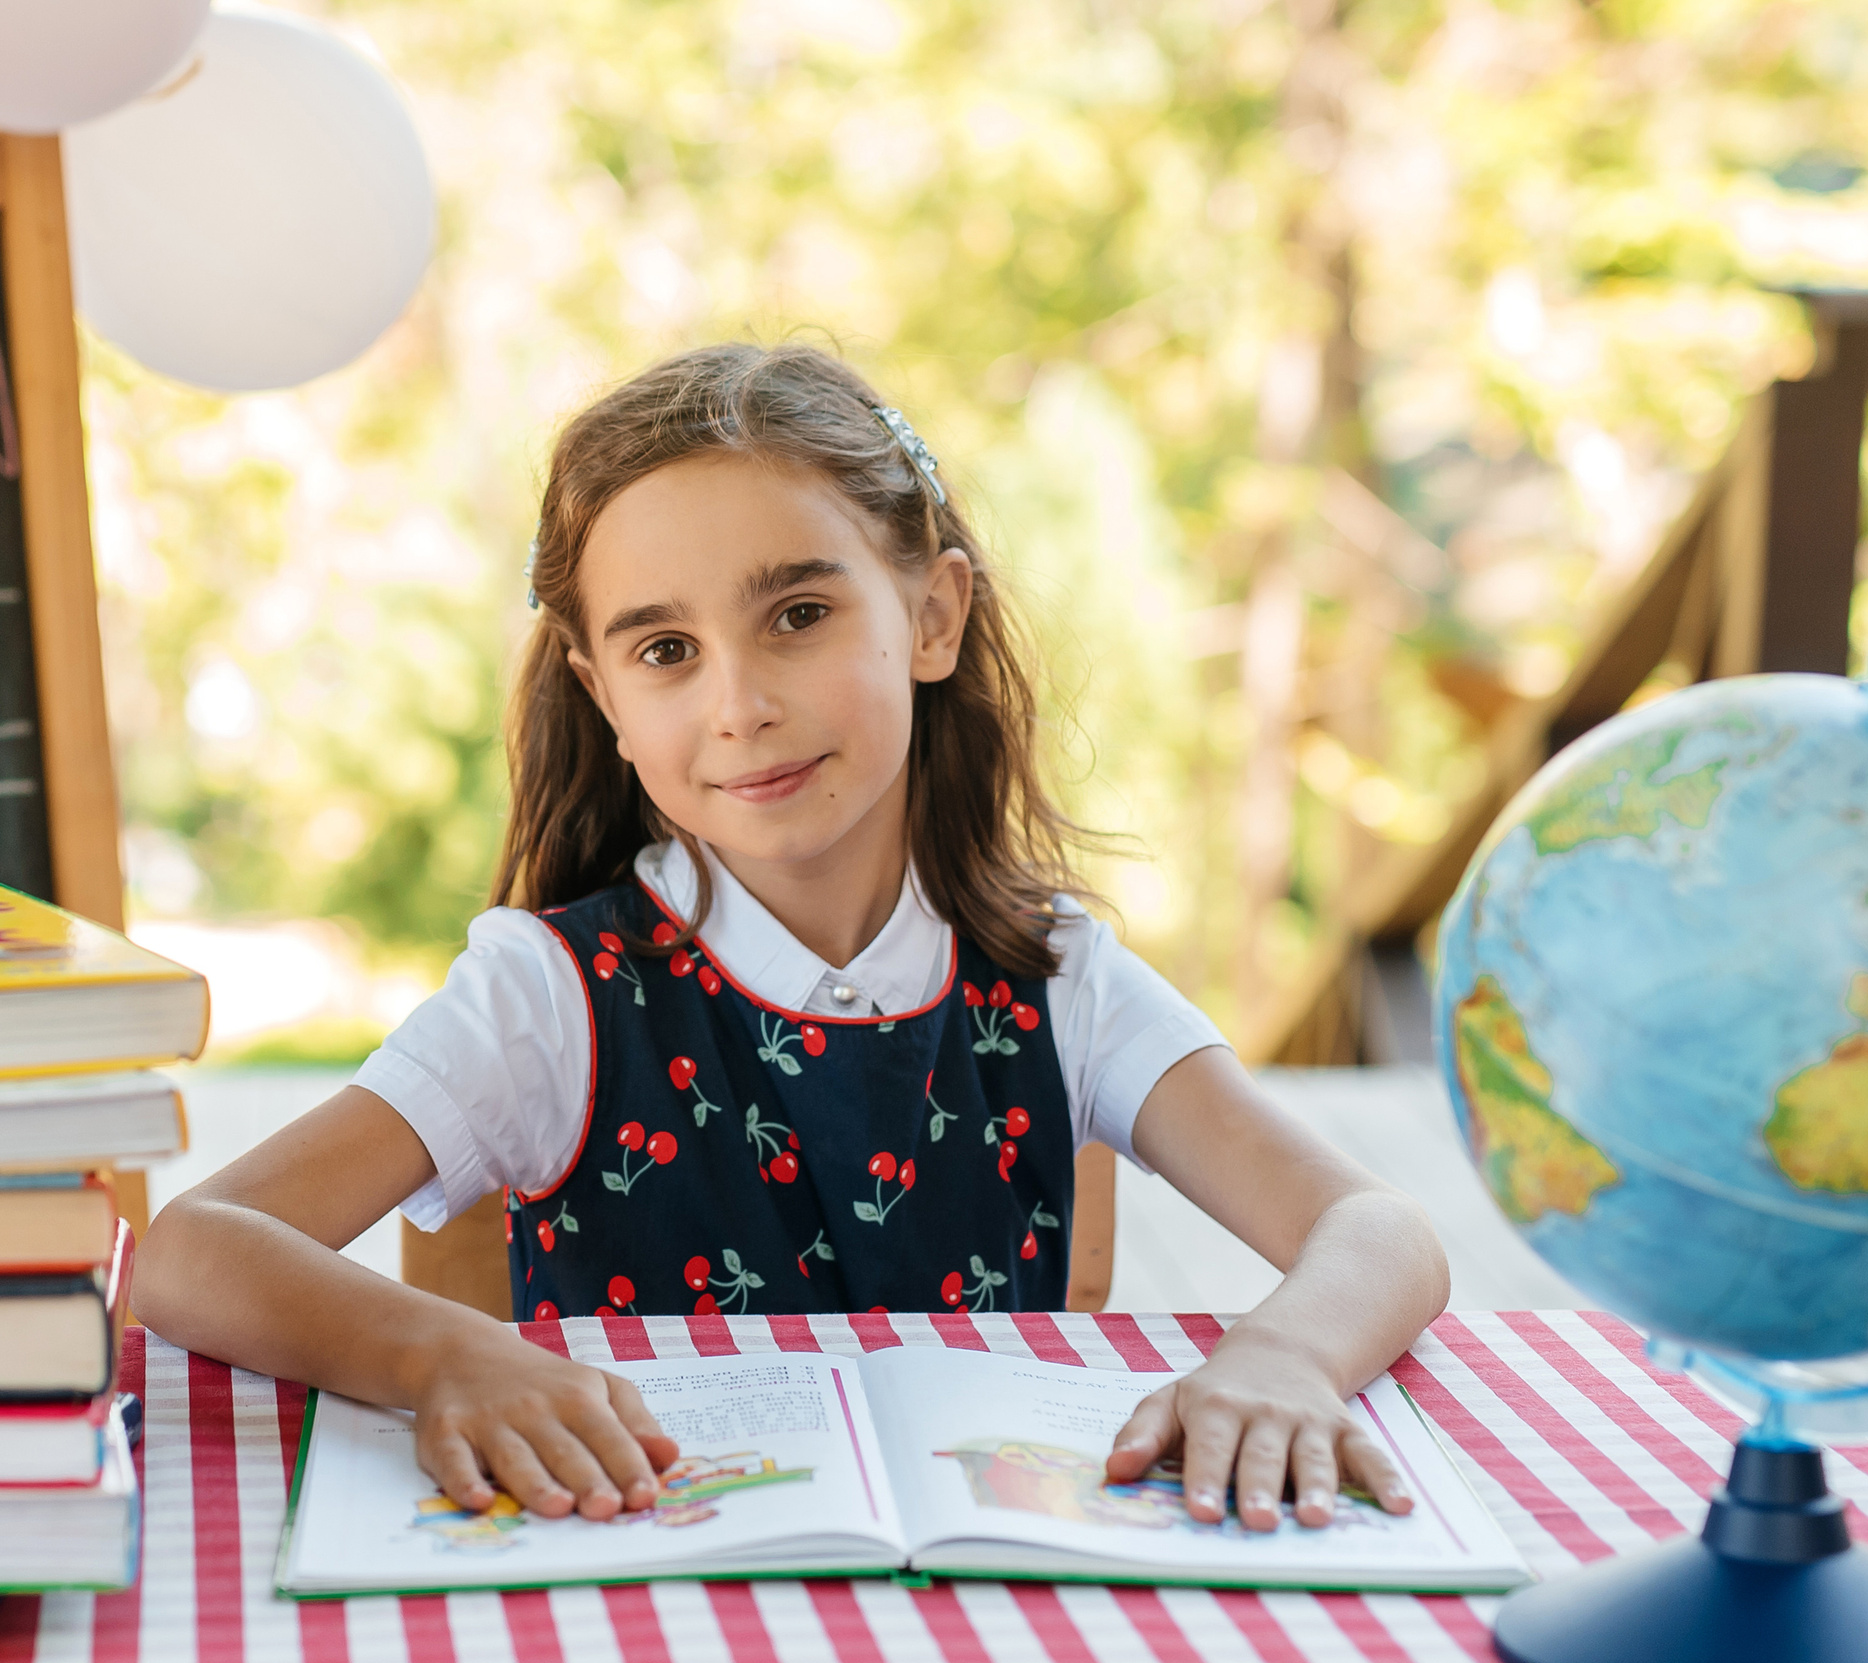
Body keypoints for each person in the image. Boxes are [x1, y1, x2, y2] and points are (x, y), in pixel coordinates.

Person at [134, 343, 1449, 1537]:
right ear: (603, 696)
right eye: (665, 649)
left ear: (932, 618)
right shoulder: (547, 996)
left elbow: (1380, 1230)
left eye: (800, 616)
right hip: (630, 1613)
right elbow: (195, 1248)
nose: (741, 702)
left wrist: (1283, 1354)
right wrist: (437, 1354)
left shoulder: (1062, 983)